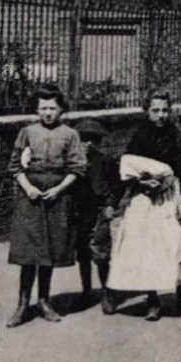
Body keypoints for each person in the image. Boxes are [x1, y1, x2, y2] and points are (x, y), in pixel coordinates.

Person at [110, 91, 181, 322]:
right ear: (146, 111)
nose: (160, 115)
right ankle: (153, 300)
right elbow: (127, 169)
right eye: (155, 110)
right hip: (147, 199)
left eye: (165, 110)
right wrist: (140, 182)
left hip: (172, 196)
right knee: (150, 248)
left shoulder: (177, 136)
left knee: (178, 245)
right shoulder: (139, 137)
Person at [6, 85, 86, 328]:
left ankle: (44, 301)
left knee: (49, 250)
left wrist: (59, 189)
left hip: (56, 196)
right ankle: (22, 304)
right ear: (37, 110)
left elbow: (78, 168)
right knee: (29, 251)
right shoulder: (26, 132)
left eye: (52, 108)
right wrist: (27, 187)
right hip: (30, 195)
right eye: (43, 108)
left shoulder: (70, 134)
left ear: (61, 109)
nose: (48, 113)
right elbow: (14, 166)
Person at [72, 118, 119, 310]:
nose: (88, 143)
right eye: (83, 139)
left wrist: (111, 206)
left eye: (93, 139)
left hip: (99, 211)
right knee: (83, 254)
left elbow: (117, 186)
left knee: (101, 253)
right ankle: (86, 291)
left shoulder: (105, 161)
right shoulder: (72, 163)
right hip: (79, 213)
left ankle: (107, 293)